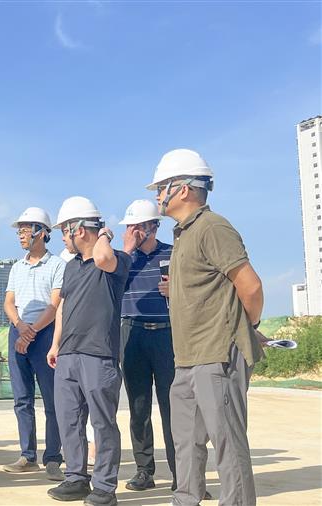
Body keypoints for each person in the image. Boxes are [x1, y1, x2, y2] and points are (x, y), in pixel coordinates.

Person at [148, 149, 264, 506]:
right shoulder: (185, 233)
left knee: (227, 442)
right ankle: (185, 500)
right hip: (187, 358)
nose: (157, 195)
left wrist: (247, 328)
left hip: (217, 354)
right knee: (186, 442)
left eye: (161, 187)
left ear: (183, 189)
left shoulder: (213, 227)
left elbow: (251, 287)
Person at [46, 196, 131, 506]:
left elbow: (103, 258)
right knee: (69, 420)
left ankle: (104, 487)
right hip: (68, 353)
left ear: (79, 230)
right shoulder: (70, 268)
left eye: (64, 231)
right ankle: (76, 478)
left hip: (99, 354)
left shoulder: (116, 260)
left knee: (102, 423)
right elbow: (62, 307)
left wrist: (104, 233)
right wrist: (56, 344)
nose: (62, 238)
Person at [2, 207, 65, 482]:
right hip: (18, 331)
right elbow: (8, 302)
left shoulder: (57, 265)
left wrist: (31, 332)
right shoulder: (17, 267)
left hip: (45, 335)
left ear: (41, 231)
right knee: (22, 399)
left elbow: (55, 305)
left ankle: (52, 458)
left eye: (25, 229)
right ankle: (28, 456)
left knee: (52, 399)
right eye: (20, 230)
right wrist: (20, 327)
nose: (21, 235)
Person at [118, 199, 175, 492]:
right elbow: (109, 285)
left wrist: (176, 289)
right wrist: (126, 251)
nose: (134, 232)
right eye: (130, 227)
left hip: (168, 335)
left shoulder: (174, 253)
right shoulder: (121, 259)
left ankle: (183, 474)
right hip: (132, 333)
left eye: (138, 226)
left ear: (154, 226)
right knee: (138, 407)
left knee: (173, 407)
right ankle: (144, 470)